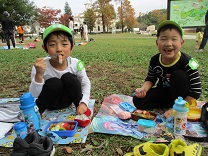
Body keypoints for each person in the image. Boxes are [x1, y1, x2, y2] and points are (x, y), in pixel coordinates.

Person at [132, 20, 202, 118]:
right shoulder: (154, 60)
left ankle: (176, 106)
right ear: (157, 42)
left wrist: (176, 109)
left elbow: (196, 91)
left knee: (179, 75)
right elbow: (150, 79)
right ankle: (169, 104)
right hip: (164, 93)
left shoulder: (189, 62)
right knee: (137, 100)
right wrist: (143, 90)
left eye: (174, 39)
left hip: (182, 97)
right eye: (164, 39)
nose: (168, 43)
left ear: (182, 43)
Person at [29, 24, 91, 115]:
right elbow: (33, 95)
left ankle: (80, 109)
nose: (59, 49)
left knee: (69, 78)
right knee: (54, 83)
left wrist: (84, 102)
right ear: (45, 48)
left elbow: (85, 83)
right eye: (52, 45)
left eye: (64, 44)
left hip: (68, 102)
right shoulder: (40, 66)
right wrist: (39, 75)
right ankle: (37, 113)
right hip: (49, 103)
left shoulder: (76, 64)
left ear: (72, 47)